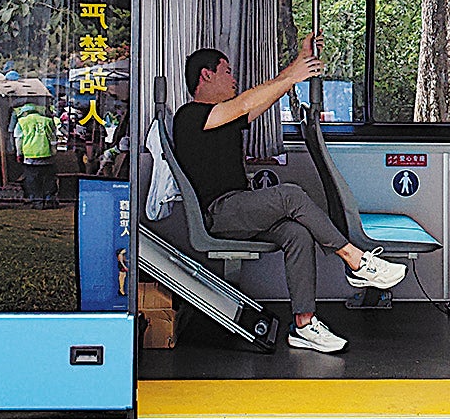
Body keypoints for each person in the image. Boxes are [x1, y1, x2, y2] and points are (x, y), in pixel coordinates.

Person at [171, 38, 405, 355]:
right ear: (206, 75)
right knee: (291, 196)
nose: (234, 79)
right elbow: (242, 103)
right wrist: (292, 75)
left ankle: (304, 325)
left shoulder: (220, 118)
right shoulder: (189, 116)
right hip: (221, 212)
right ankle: (356, 260)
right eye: (227, 71)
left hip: (241, 210)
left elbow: (257, 102)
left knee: (297, 233)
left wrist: (297, 64)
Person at [12, 100, 59, 207]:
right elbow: (53, 138)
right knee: (49, 180)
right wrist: (53, 152)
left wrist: (19, 154)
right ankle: (49, 200)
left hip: (30, 157)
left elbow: (18, 140)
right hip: (47, 155)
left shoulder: (21, 122)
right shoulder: (48, 121)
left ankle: (37, 202)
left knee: (32, 181)